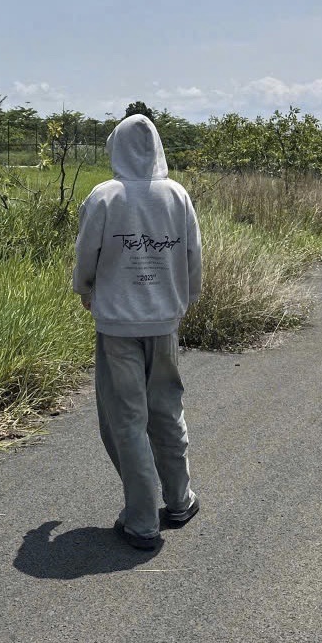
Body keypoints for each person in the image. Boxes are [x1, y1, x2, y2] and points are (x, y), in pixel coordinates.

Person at [73, 114, 202, 551]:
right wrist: (183, 302)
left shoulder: (105, 197)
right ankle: (180, 499)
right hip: (165, 320)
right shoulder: (177, 195)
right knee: (166, 408)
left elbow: (86, 253)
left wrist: (84, 289)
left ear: (117, 149)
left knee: (126, 418)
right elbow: (192, 255)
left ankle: (142, 520)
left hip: (117, 325)